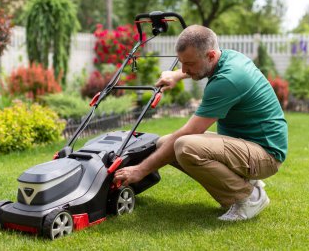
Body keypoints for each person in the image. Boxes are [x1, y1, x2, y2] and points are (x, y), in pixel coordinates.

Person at [114, 25, 288, 221]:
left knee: (184, 146)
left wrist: (141, 170)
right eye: (182, 63)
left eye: (189, 64)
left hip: (266, 153)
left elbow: (189, 131)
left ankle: (249, 197)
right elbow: (199, 67)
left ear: (211, 56)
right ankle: (246, 183)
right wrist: (176, 74)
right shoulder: (227, 57)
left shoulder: (228, 80)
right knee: (165, 143)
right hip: (244, 144)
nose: (185, 70)